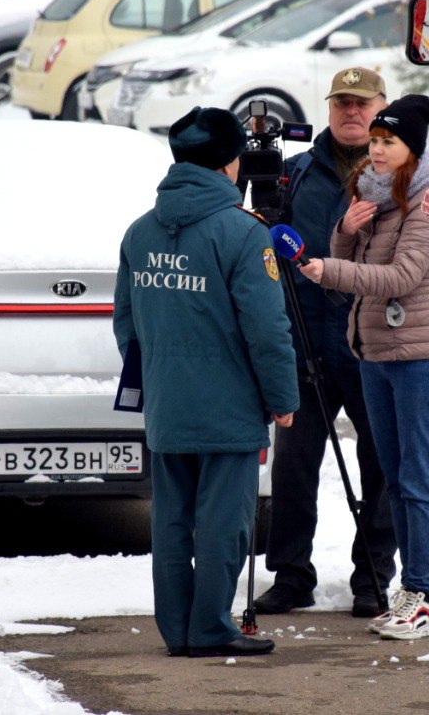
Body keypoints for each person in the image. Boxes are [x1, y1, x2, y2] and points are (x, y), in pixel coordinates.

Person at [113, 106, 299, 659]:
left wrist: (155, 382)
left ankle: (178, 630)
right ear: (228, 164)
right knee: (223, 525)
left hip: (167, 404)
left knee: (171, 522)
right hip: (229, 409)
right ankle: (212, 628)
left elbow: (127, 324)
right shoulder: (243, 233)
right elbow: (267, 329)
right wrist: (282, 398)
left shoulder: (140, 232)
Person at [299, 94, 429, 641]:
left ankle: (421, 591)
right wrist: (345, 231)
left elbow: (401, 278)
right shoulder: (374, 193)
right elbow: (354, 256)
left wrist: (329, 270)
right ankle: (410, 592)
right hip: (373, 350)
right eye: (374, 140)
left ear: (412, 148)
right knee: (393, 478)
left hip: (416, 355)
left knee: (416, 478)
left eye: (388, 141)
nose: (377, 150)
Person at [252, 67, 399, 619]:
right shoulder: (294, 174)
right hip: (305, 343)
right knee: (293, 467)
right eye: (342, 103)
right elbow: (261, 255)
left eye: (362, 103)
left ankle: (373, 576)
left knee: (381, 465)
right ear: (330, 108)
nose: (351, 112)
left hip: (373, 344)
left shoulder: (403, 177)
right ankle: (291, 576)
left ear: (381, 108)